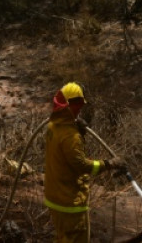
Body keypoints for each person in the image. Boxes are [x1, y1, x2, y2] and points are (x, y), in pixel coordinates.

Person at [44, 82, 124, 243]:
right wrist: (109, 164)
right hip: (69, 202)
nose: (80, 109)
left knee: (62, 238)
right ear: (69, 106)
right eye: (78, 106)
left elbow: (65, 154)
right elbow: (81, 165)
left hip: (54, 197)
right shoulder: (70, 136)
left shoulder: (53, 126)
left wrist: (78, 130)